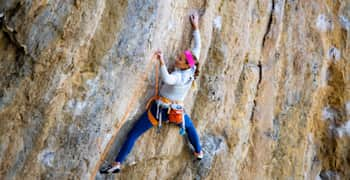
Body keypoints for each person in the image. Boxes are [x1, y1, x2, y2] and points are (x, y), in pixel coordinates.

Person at [100, 12, 203, 174]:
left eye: (180, 59)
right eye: (180, 56)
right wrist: (195, 27)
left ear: (184, 66)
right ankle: (199, 151)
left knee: (134, 133)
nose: (177, 58)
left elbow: (168, 79)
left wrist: (162, 61)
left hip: (160, 110)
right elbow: (197, 46)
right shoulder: (192, 67)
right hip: (176, 111)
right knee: (189, 126)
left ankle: (117, 163)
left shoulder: (179, 76)